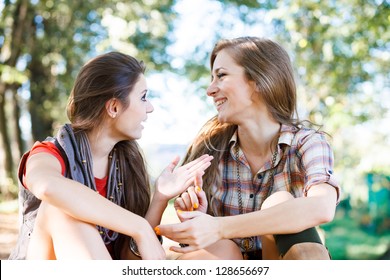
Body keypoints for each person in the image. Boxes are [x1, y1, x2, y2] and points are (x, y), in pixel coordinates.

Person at [8, 52, 213, 260]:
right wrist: (138, 226)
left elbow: (128, 260)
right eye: (143, 97)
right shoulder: (49, 153)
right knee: (60, 208)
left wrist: (160, 197)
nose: (150, 108)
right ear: (114, 107)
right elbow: (47, 186)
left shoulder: (127, 164)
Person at [156, 37, 340, 260]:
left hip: (285, 260)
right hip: (229, 261)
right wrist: (199, 218)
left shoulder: (307, 143)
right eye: (211, 78)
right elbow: (201, 240)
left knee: (280, 203)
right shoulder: (209, 150)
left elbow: (321, 207)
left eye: (221, 76)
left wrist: (218, 226)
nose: (210, 90)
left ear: (259, 81)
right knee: (221, 251)